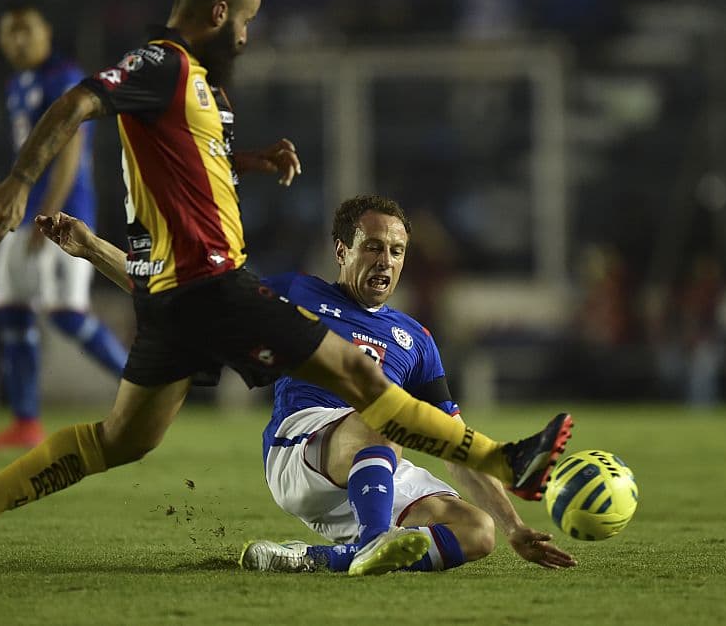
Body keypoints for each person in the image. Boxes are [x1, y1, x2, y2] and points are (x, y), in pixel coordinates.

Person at [0, 0, 572, 585]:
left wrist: (251, 160)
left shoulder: (207, 92)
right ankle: (507, 460)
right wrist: (20, 178)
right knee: (361, 377)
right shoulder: (164, 64)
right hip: (209, 283)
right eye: (247, 21)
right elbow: (80, 100)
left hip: (170, 295)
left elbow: (189, 163)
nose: (247, 34)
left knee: (118, 441)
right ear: (218, 12)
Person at [36, 196, 576, 575]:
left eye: (396, 251)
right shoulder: (296, 292)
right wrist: (92, 249)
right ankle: (372, 543)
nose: (385, 260)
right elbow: (181, 294)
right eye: (372, 246)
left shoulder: (416, 340)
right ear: (342, 250)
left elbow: (453, 445)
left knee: (473, 532)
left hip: (373, 461)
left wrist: (513, 527)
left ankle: (324, 559)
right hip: (301, 450)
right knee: (383, 414)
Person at [0, 4, 129, 449]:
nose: (17, 40)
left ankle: (149, 387)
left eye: (26, 30)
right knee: (11, 309)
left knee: (65, 314)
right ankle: (25, 421)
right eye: (9, 32)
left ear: (46, 33)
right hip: (22, 215)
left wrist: (51, 215)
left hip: (57, 214)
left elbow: (70, 152)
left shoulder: (63, 75)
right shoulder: (16, 83)